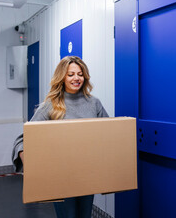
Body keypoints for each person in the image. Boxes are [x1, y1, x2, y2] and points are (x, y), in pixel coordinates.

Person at [12, 56, 109, 218]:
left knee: (85, 215)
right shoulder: (50, 105)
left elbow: (109, 133)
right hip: (61, 176)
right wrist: (29, 163)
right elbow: (24, 139)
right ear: (62, 77)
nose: (76, 78)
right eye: (70, 74)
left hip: (86, 174)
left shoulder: (94, 103)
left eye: (80, 74)